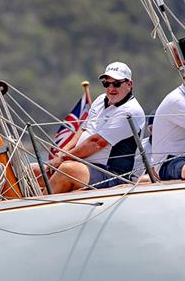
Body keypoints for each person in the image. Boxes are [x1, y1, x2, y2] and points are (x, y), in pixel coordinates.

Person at [46, 62, 145, 193]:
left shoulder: (130, 110)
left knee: (66, 170)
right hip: (86, 167)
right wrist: (62, 151)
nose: (111, 88)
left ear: (129, 84)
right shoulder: (100, 99)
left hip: (113, 174)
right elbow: (84, 129)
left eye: (116, 84)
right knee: (35, 170)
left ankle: (34, 209)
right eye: (106, 83)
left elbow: (96, 143)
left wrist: (63, 159)